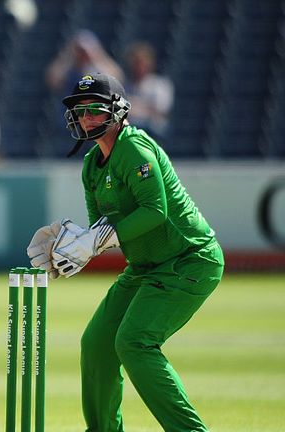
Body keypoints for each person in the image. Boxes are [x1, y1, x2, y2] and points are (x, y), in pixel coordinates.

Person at [26, 73, 224, 431]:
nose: (85, 119)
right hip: (146, 266)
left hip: (189, 260)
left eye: (94, 111)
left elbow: (155, 210)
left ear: (117, 112)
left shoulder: (134, 149)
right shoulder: (90, 166)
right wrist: (69, 251)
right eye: (80, 111)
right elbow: (103, 229)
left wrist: (96, 240)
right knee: (97, 344)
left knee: (134, 343)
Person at [123, 41, 174, 140]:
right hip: (129, 129)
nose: (138, 67)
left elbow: (160, 111)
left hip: (153, 130)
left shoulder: (160, 84)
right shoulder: (124, 85)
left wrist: (136, 107)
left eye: (141, 62)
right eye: (135, 62)